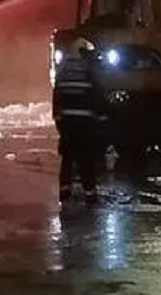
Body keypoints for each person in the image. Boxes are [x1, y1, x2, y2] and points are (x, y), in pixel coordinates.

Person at [53, 37, 104, 204]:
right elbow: (96, 95)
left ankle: (64, 191)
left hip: (67, 122)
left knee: (67, 158)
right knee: (86, 158)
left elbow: (57, 97)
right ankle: (90, 193)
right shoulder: (88, 71)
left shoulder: (63, 71)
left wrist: (59, 120)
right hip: (85, 123)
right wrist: (100, 117)